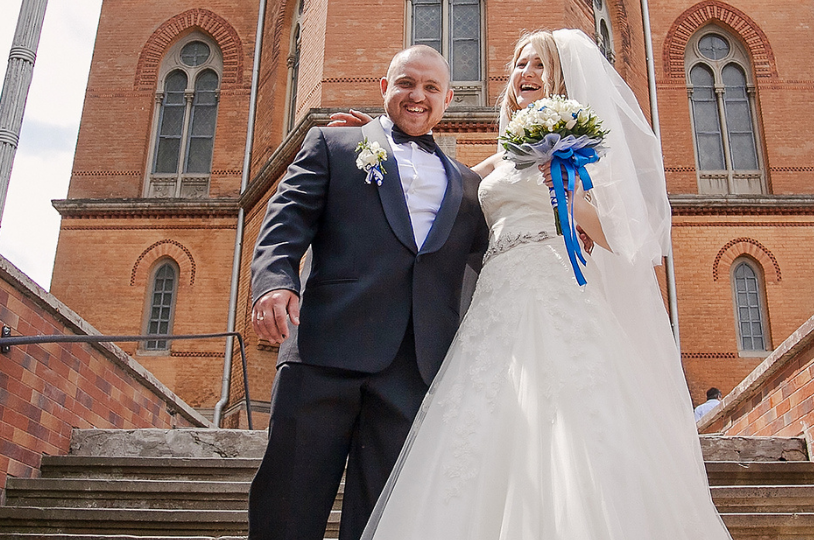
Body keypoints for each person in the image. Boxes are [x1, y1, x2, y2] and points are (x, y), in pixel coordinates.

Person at [357, 30, 733, 539]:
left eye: (539, 64)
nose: (526, 73)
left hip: (556, 288)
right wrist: (378, 140)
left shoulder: (584, 150)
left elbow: (628, 237)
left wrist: (567, 193)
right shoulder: (501, 156)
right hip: (496, 300)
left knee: (570, 423)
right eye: (518, 64)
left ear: (561, 78)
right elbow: (448, 180)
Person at [245, 44, 490, 540]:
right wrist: (274, 283)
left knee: (384, 520)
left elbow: (491, 258)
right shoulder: (333, 145)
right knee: (288, 507)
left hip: (414, 368)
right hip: (324, 351)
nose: (416, 96)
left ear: (447, 100)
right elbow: (285, 220)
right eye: (405, 83)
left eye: (430, 88)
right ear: (384, 88)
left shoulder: (467, 185)